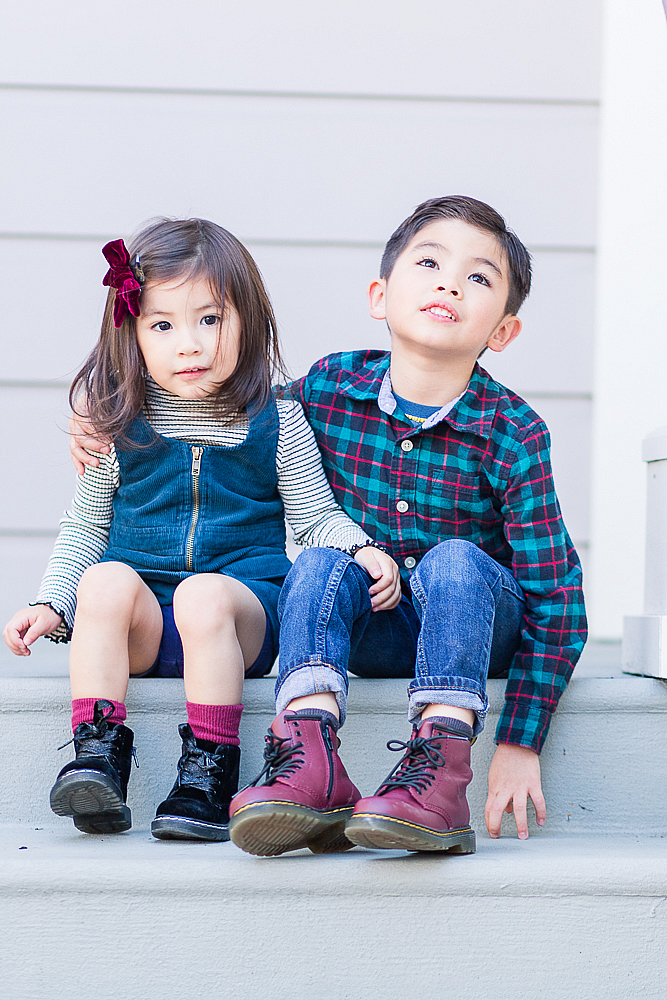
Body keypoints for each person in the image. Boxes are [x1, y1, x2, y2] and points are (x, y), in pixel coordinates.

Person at [3, 218, 399, 843]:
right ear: (131, 335)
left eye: (209, 320)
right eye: (162, 324)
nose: (188, 344)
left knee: (204, 593)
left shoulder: (279, 422)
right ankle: (99, 755)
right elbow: (84, 525)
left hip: (237, 617)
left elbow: (315, 514)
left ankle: (211, 770)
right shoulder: (116, 424)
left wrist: (362, 549)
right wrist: (52, 601)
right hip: (149, 626)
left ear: (248, 322)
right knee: (103, 580)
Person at [226, 196, 588, 856]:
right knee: (317, 562)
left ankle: (441, 772)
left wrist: (518, 740)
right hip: (375, 628)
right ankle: (309, 760)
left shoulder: (513, 433)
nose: (449, 282)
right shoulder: (329, 387)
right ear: (380, 295)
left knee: (451, 560)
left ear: (501, 332)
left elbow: (557, 601)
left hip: (474, 625)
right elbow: (232, 426)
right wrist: (109, 428)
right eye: (428, 262)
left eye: (478, 277)